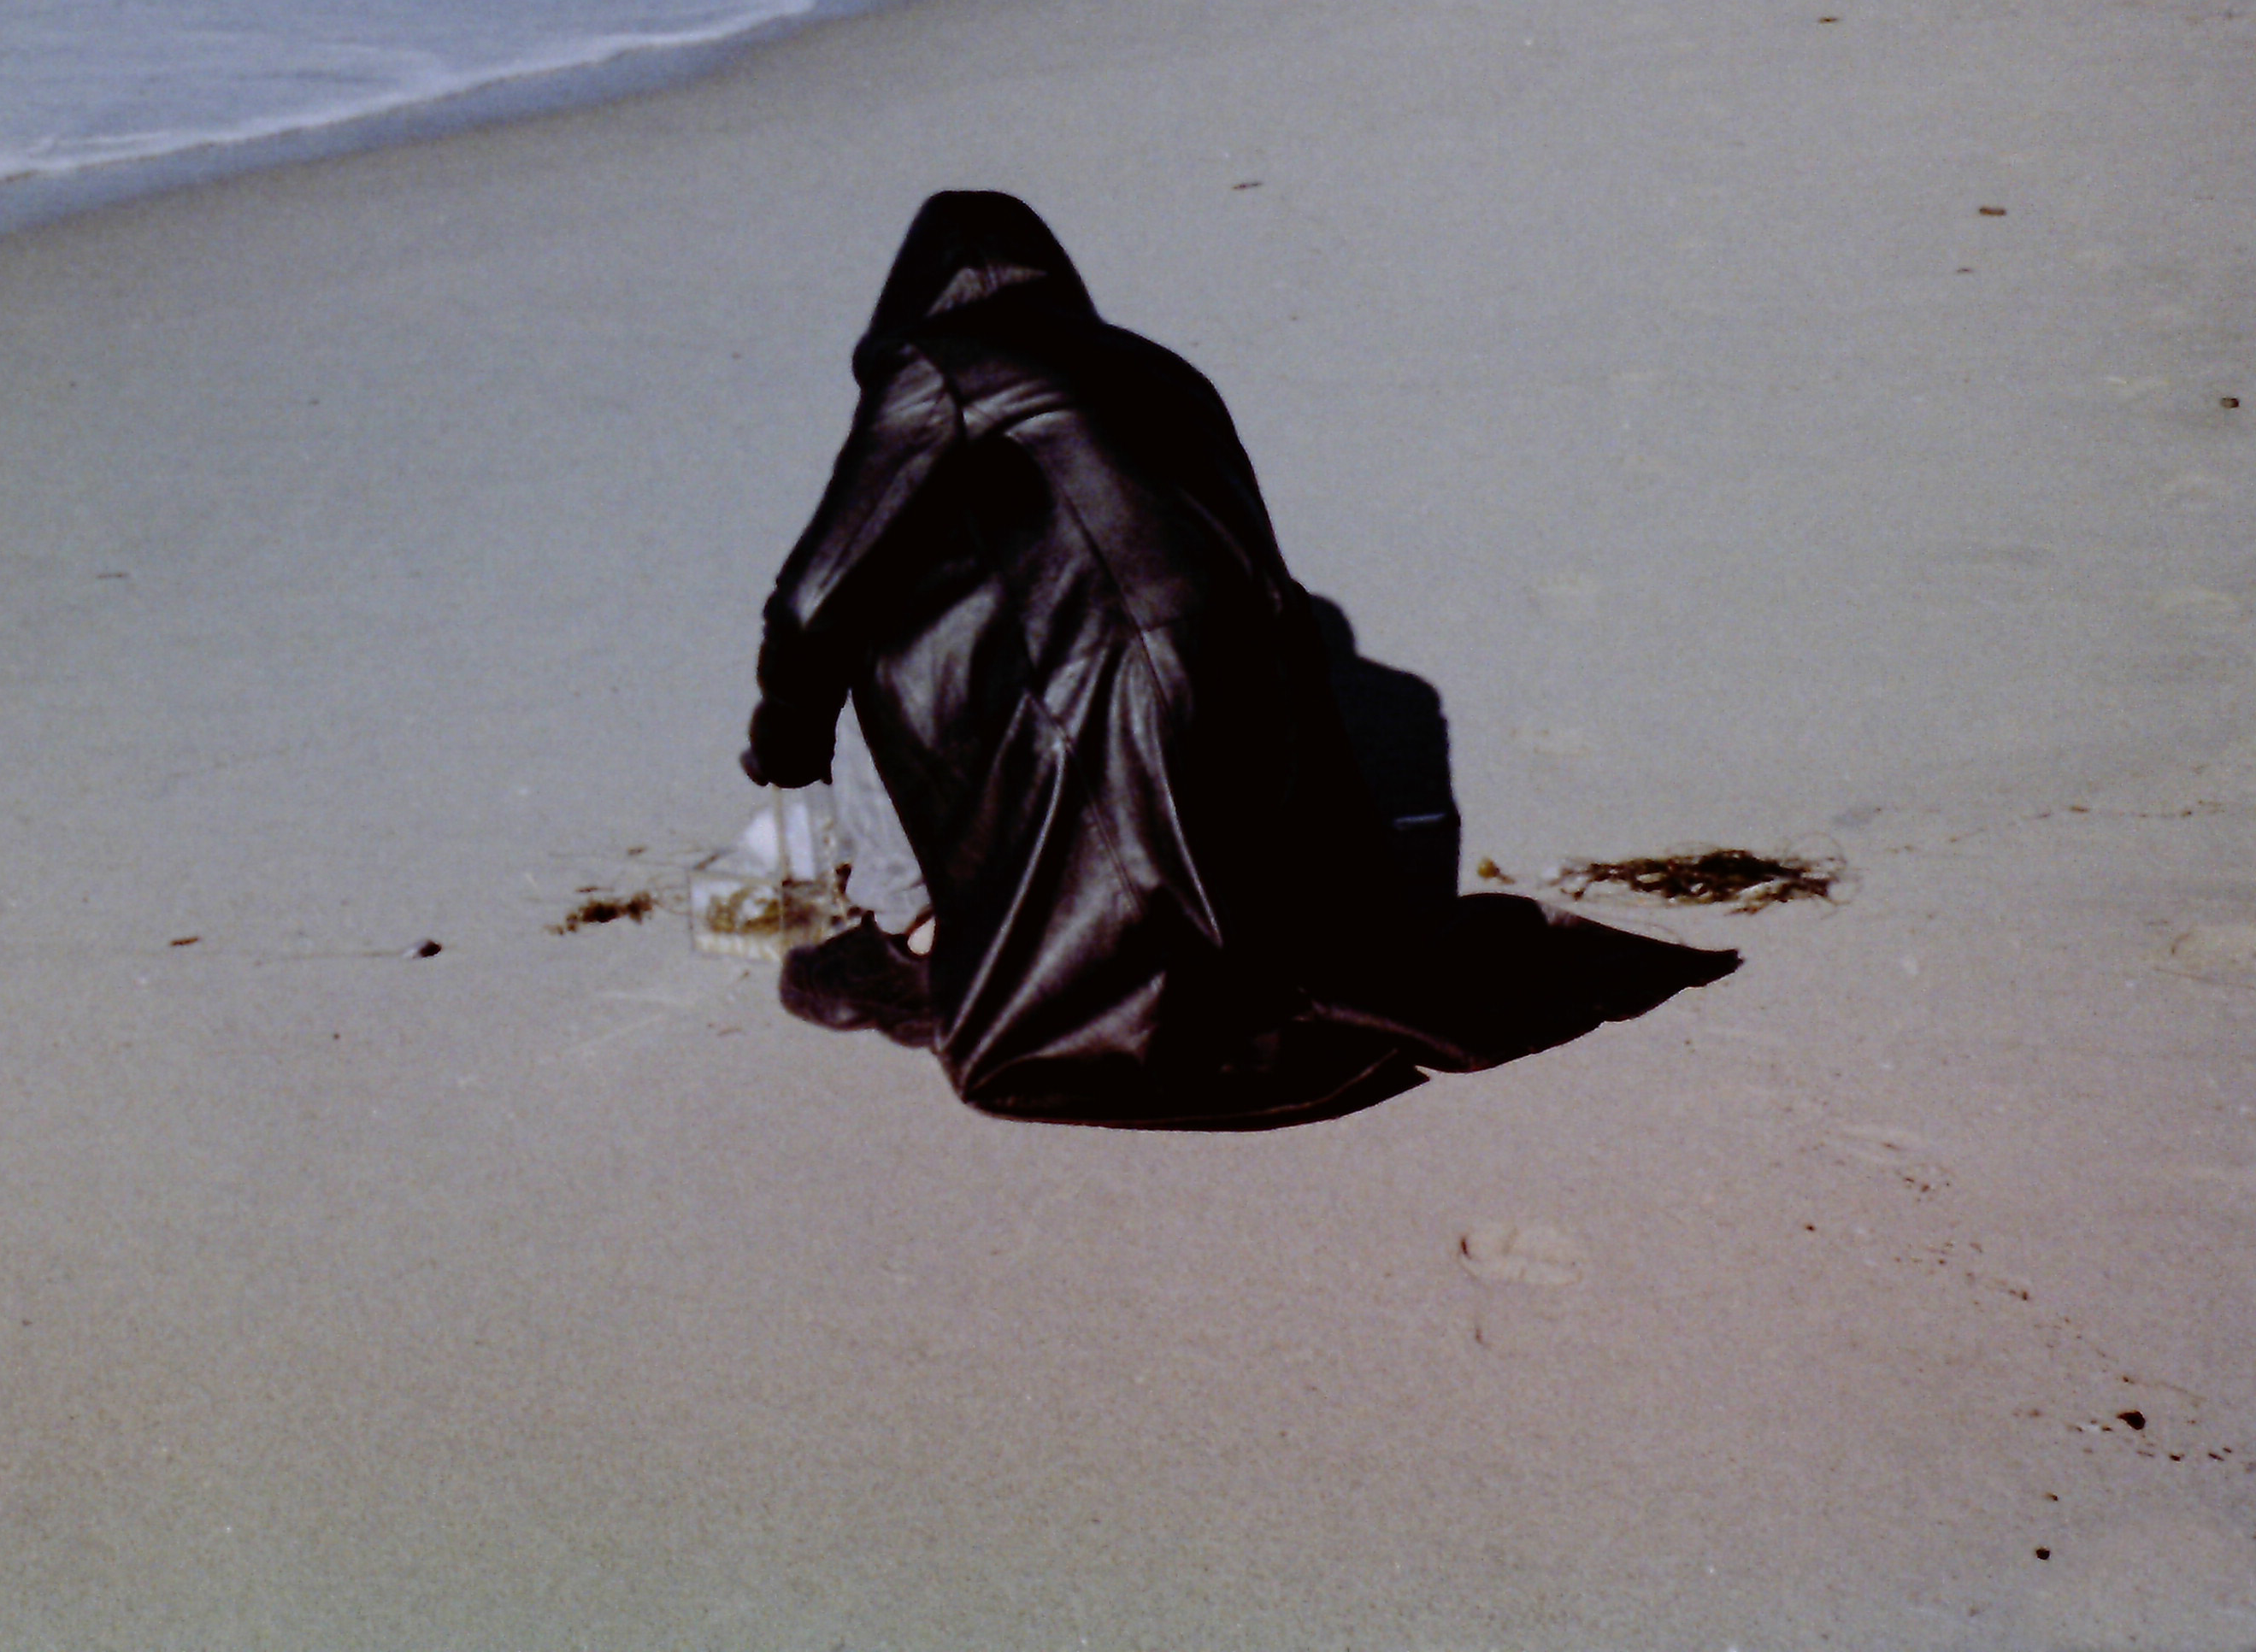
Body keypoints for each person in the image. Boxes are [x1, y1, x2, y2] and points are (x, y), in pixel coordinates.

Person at [743, 192, 1735, 1128]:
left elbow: (813, 596)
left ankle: (909, 928)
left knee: (876, 621)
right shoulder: (1161, 370)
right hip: (1251, 714)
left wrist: (786, 747)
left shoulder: (939, 361)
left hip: (1103, 715)